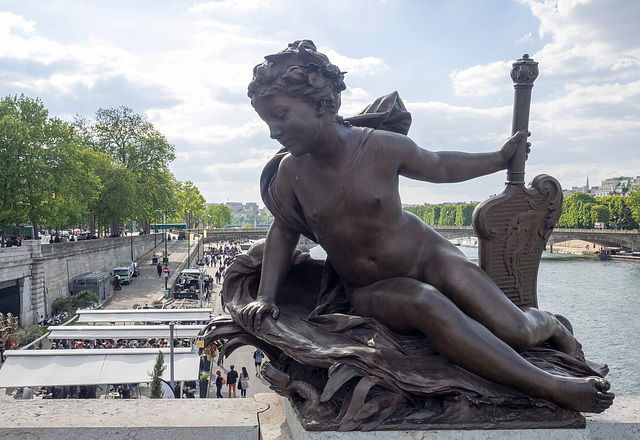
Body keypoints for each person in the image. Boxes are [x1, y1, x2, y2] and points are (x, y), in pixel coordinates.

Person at [239, 40, 613, 414]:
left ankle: (550, 324)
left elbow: (440, 166)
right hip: (372, 287)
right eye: (268, 121)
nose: (274, 131)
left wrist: (500, 158)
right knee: (424, 301)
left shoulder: (380, 147)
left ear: (320, 103)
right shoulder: (290, 173)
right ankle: (552, 386)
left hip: (429, 253)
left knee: (517, 330)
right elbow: (283, 233)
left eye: (281, 115)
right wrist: (266, 297)